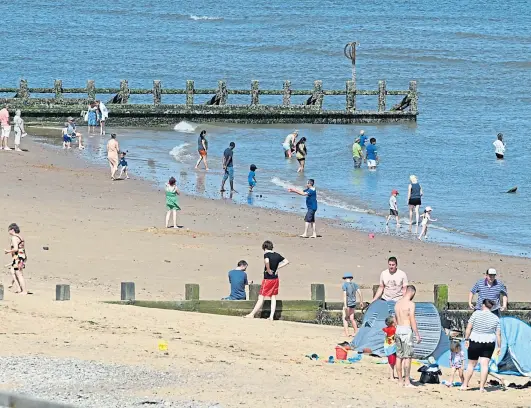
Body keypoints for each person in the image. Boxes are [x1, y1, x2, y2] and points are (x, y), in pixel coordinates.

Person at [461, 299, 502, 392]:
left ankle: (464, 385)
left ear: (483, 305)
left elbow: (468, 328)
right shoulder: (495, 318)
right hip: (489, 342)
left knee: (471, 364)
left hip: (475, 339)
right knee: (485, 365)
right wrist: (499, 346)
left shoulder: (476, 314)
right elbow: (498, 334)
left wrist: (466, 339)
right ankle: (482, 387)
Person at [245, 240, 289, 320]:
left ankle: (252, 314)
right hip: (275, 278)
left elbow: (267, 261)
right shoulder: (277, 255)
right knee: (273, 297)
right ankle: (271, 316)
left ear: (264, 247)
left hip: (268, 279)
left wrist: (268, 269)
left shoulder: (266, 254)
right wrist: (277, 267)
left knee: (261, 297)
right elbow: (286, 261)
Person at [394, 285, 422, 388]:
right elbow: (412, 320)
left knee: (398, 356)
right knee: (407, 357)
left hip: (398, 329)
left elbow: (395, 319)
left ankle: (400, 381)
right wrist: (417, 334)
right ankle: (407, 381)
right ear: (412, 293)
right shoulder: (411, 304)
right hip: (406, 330)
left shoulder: (397, 303)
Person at [4, 223, 27, 295]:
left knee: (19, 274)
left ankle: (24, 291)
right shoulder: (20, 237)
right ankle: (19, 289)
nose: (8, 232)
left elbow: (16, 248)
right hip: (21, 257)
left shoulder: (14, 237)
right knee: (14, 272)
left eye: (9, 230)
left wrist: (8, 251)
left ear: (12, 230)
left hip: (18, 258)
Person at [341, 272, 363, 337]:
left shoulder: (344, 285)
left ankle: (346, 333)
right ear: (351, 278)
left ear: (345, 278)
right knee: (352, 318)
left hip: (347, 303)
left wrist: (345, 305)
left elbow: (345, 295)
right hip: (353, 303)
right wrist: (361, 301)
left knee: (345, 318)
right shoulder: (355, 285)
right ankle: (356, 332)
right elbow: (360, 293)